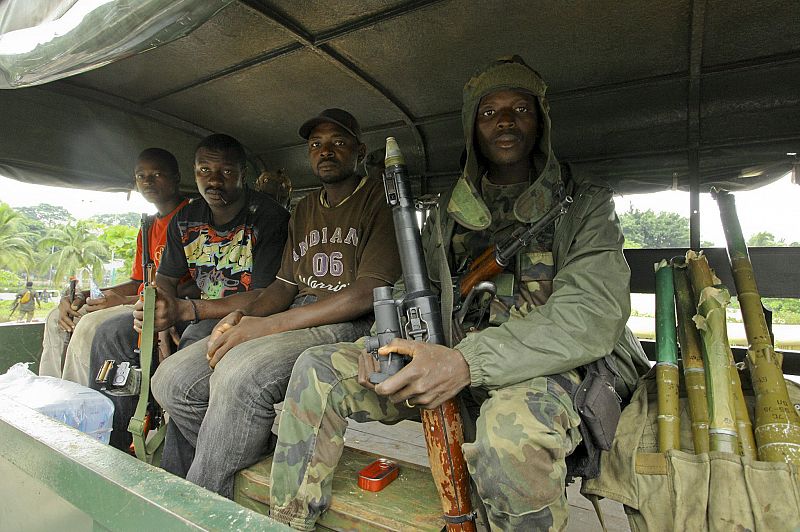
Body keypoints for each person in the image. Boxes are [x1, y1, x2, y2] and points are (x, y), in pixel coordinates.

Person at [268, 57, 650, 531]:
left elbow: (590, 315)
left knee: (507, 434)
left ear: (541, 123)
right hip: (450, 359)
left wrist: (466, 363)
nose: (505, 122)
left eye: (519, 109)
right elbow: (416, 286)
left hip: (550, 369)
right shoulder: (452, 213)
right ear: (473, 127)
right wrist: (380, 346)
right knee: (318, 370)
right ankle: (287, 520)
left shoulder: (586, 204)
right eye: (490, 112)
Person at [151, 108, 402, 499]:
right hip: (296, 313)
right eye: (316, 144)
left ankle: (207, 504)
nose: (326, 151)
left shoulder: (378, 199)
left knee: (239, 375)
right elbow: (281, 289)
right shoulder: (304, 209)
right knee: (171, 380)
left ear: (360, 151)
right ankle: (249, 452)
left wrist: (266, 326)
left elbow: (366, 291)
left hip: (352, 321)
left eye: (338, 142)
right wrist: (240, 316)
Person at [89, 133, 289, 451]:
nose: (213, 181)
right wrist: (161, 313)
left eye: (225, 171)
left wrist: (187, 310)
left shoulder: (269, 217)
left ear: (242, 174)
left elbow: (266, 295)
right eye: (204, 170)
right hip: (195, 313)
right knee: (111, 333)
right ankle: (114, 445)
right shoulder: (186, 218)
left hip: (244, 318)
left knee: (196, 341)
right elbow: (166, 277)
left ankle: (182, 466)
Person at [38, 148, 189, 384]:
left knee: (89, 326)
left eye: (157, 174)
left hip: (158, 309)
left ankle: (79, 405)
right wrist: (84, 295)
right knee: (55, 318)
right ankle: (51, 394)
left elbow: (188, 288)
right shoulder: (148, 226)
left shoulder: (190, 219)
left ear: (176, 178)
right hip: (137, 302)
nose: (147, 182)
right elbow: (139, 282)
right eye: (141, 176)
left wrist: (123, 301)